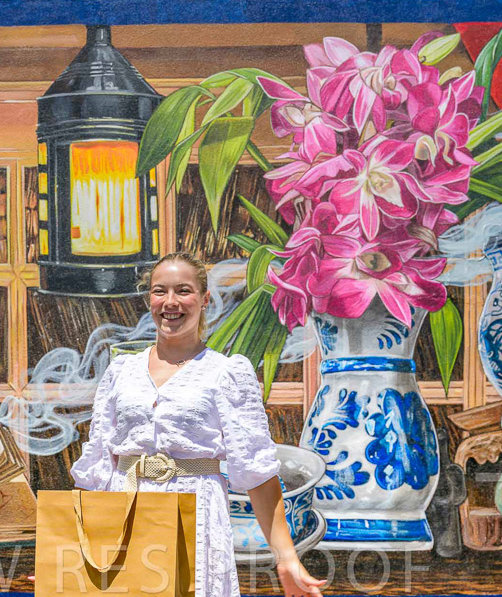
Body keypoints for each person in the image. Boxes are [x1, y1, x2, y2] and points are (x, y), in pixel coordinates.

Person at [70, 252, 327, 597]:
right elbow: (96, 468)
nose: (170, 302)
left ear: (204, 299)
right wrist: (68, 555)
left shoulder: (226, 373)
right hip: (124, 513)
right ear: (149, 299)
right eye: (160, 291)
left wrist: (287, 559)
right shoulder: (121, 371)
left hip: (195, 512)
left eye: (183, 291)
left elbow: (257, 473)